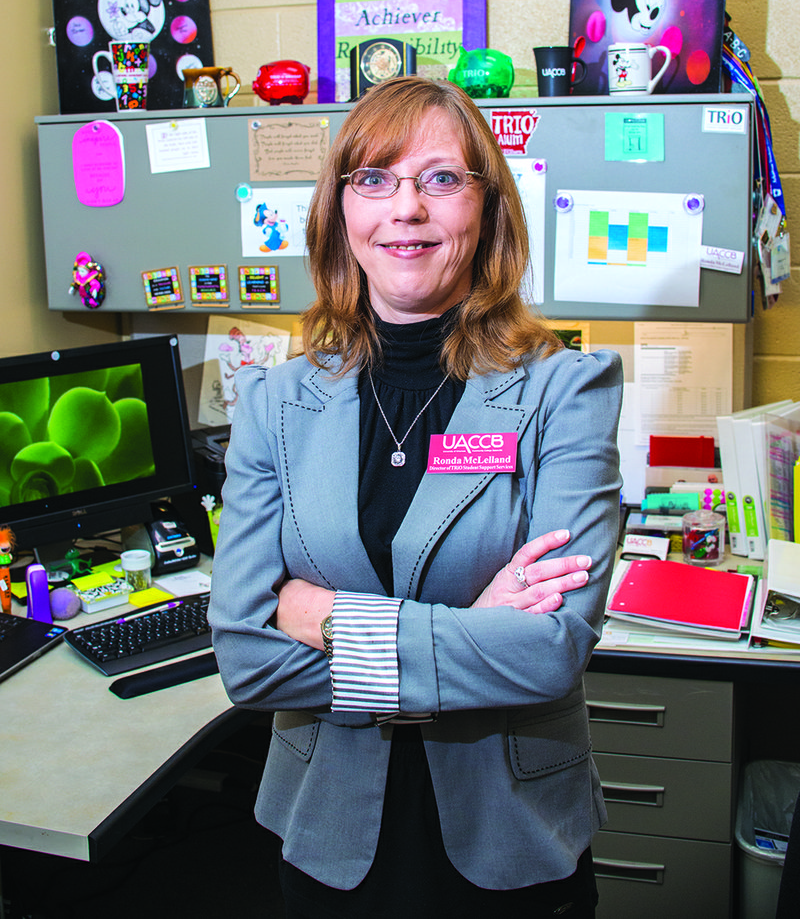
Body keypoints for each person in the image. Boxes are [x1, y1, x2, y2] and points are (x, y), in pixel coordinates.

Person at [209, 76, 623, 918]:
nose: (406, 208)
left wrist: (318, 613)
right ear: (341, 212)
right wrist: (477, 627)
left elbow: (549, 650)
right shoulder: (275, 403)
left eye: (441, 178)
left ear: (488, 208)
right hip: (326, 837)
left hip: (512, 838)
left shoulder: (564, 391)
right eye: (374, 179)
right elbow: (244, 659)